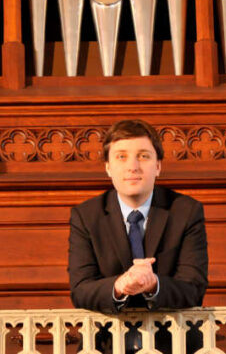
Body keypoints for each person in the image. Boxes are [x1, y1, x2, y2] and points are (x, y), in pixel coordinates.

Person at [68, 119, 209, 314]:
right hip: (106, 341)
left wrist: (153, 285)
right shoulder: (86, 216)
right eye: (121, 157)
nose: (133, 166)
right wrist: (120, 286)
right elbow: (81, 290)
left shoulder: (186, 211)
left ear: (158, 166)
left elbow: (193, 289)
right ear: (108, 167)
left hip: (174, 340)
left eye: (143, 156)